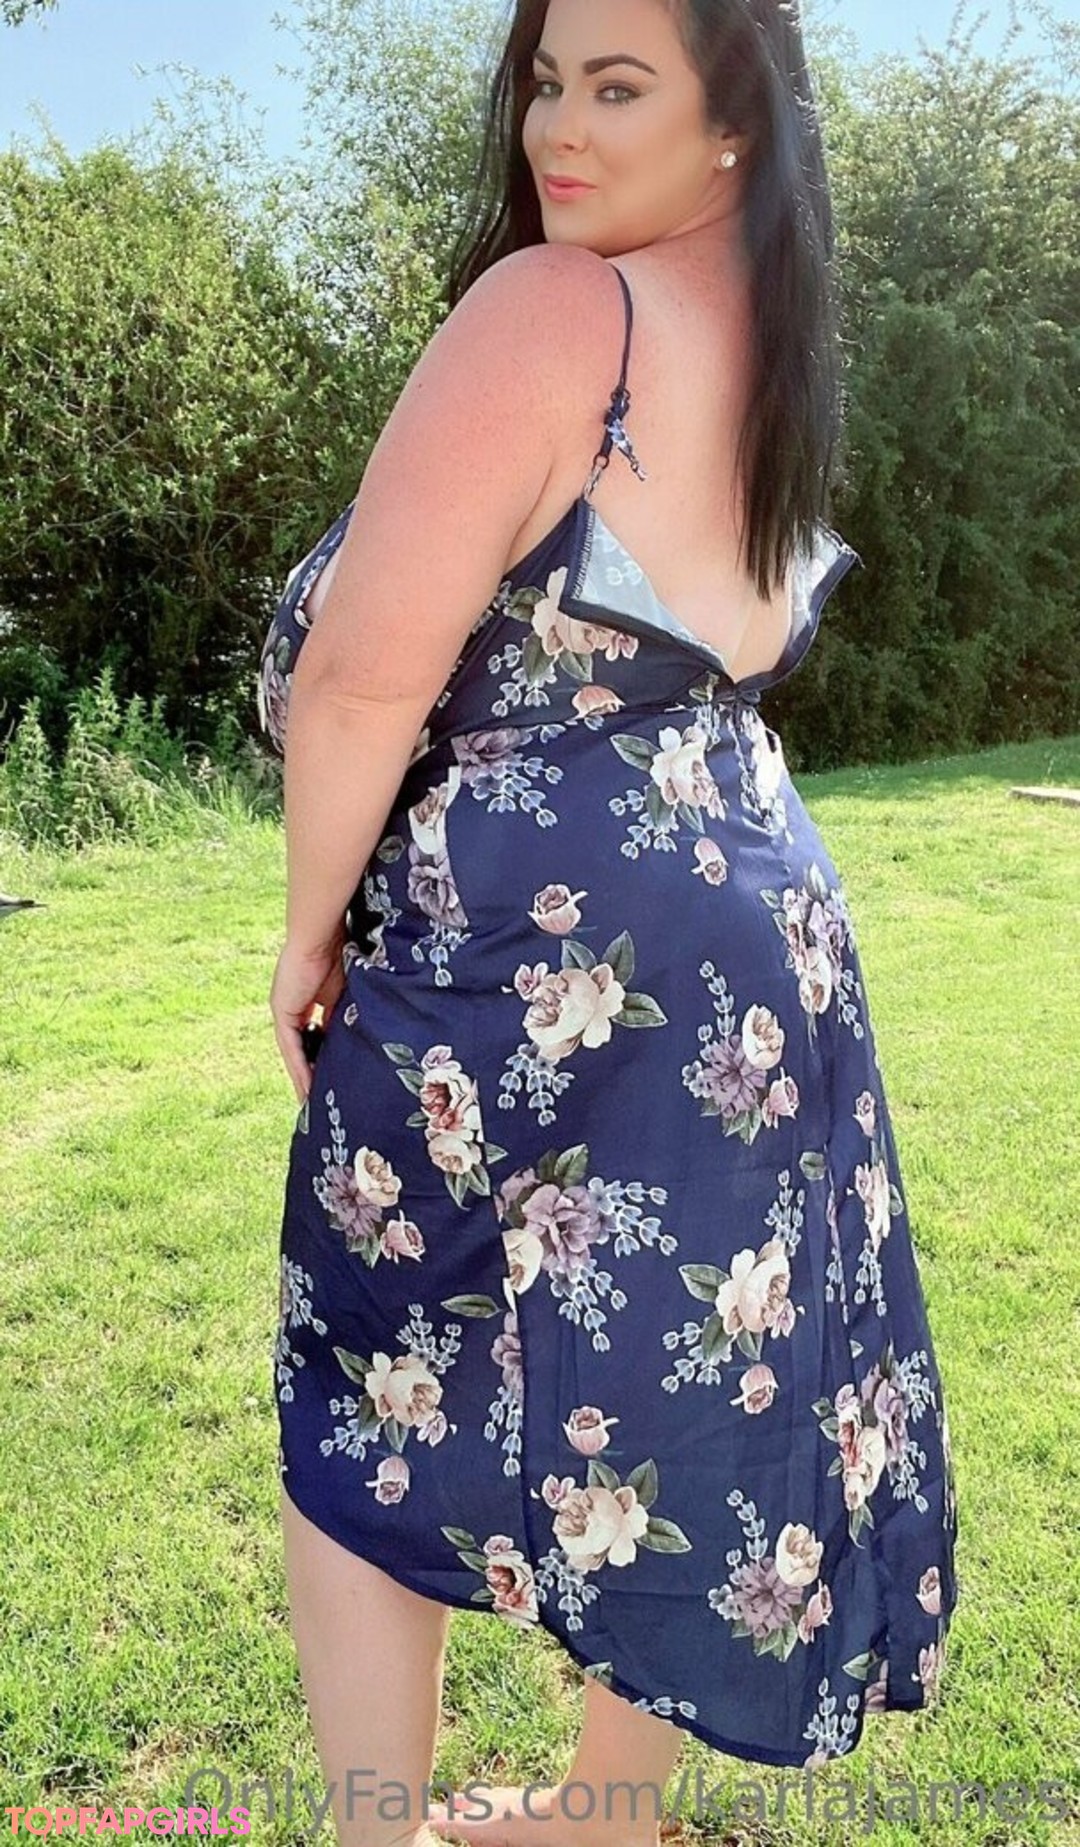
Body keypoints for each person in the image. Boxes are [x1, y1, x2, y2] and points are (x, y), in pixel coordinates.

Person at [259, 3, 960, 1844]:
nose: (558, 128)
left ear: (737, 121)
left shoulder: (558, 309)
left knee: (375, 1366)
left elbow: (359, 683)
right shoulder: (778, 354)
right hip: (754, 936)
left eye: (619, 85)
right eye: (548, 81)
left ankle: (374, 1823)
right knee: (677, 1372)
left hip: (526, 954)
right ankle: (605, 1812)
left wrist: (306, 934)